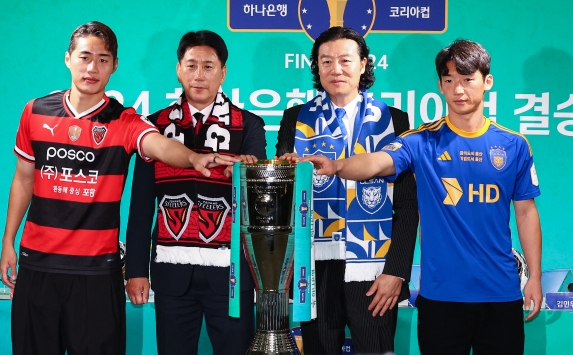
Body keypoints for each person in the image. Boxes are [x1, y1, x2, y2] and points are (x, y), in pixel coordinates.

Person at [0, 22, 236, 355]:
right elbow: (23, 178)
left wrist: (193, 158)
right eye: (85, 57)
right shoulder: (35, 112)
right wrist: (8, 240)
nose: (92, 68)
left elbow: (160, 146)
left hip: (96, 273)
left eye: (103, 59)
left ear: (114, 66)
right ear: (68, 59)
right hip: (38, 266)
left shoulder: (125, 121)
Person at [303, 39, 543, 355]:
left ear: (487, 81)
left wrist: (535, 278)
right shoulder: (420, 141)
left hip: (500, 294)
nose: (458, 90)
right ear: (440, 86)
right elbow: (376, 162)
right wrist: (336, 166)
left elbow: (526, 212)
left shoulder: (514, 145)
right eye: (449, 80)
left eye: (468, 79)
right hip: (440, 298)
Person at [276, 26, 419, 355]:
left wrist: (397, 271)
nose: (335, 69)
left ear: (364, 64)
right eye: (325, 61)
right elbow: (285, 200)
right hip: (312, 266)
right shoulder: (295, 119)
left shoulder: (393, 120)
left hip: (374, 265)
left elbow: (409, 206)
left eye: (344, 60)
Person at [124, 30, 266, 355]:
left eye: (208, 66)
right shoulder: (153, 127)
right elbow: (141, 206)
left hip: (232, 274)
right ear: (178, 69)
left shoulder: (249, 125)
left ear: (223, 72)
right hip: (172, 273)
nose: (198, 75)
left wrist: (246, 170)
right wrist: (135, 271)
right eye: (191, 65)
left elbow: (259, 189)